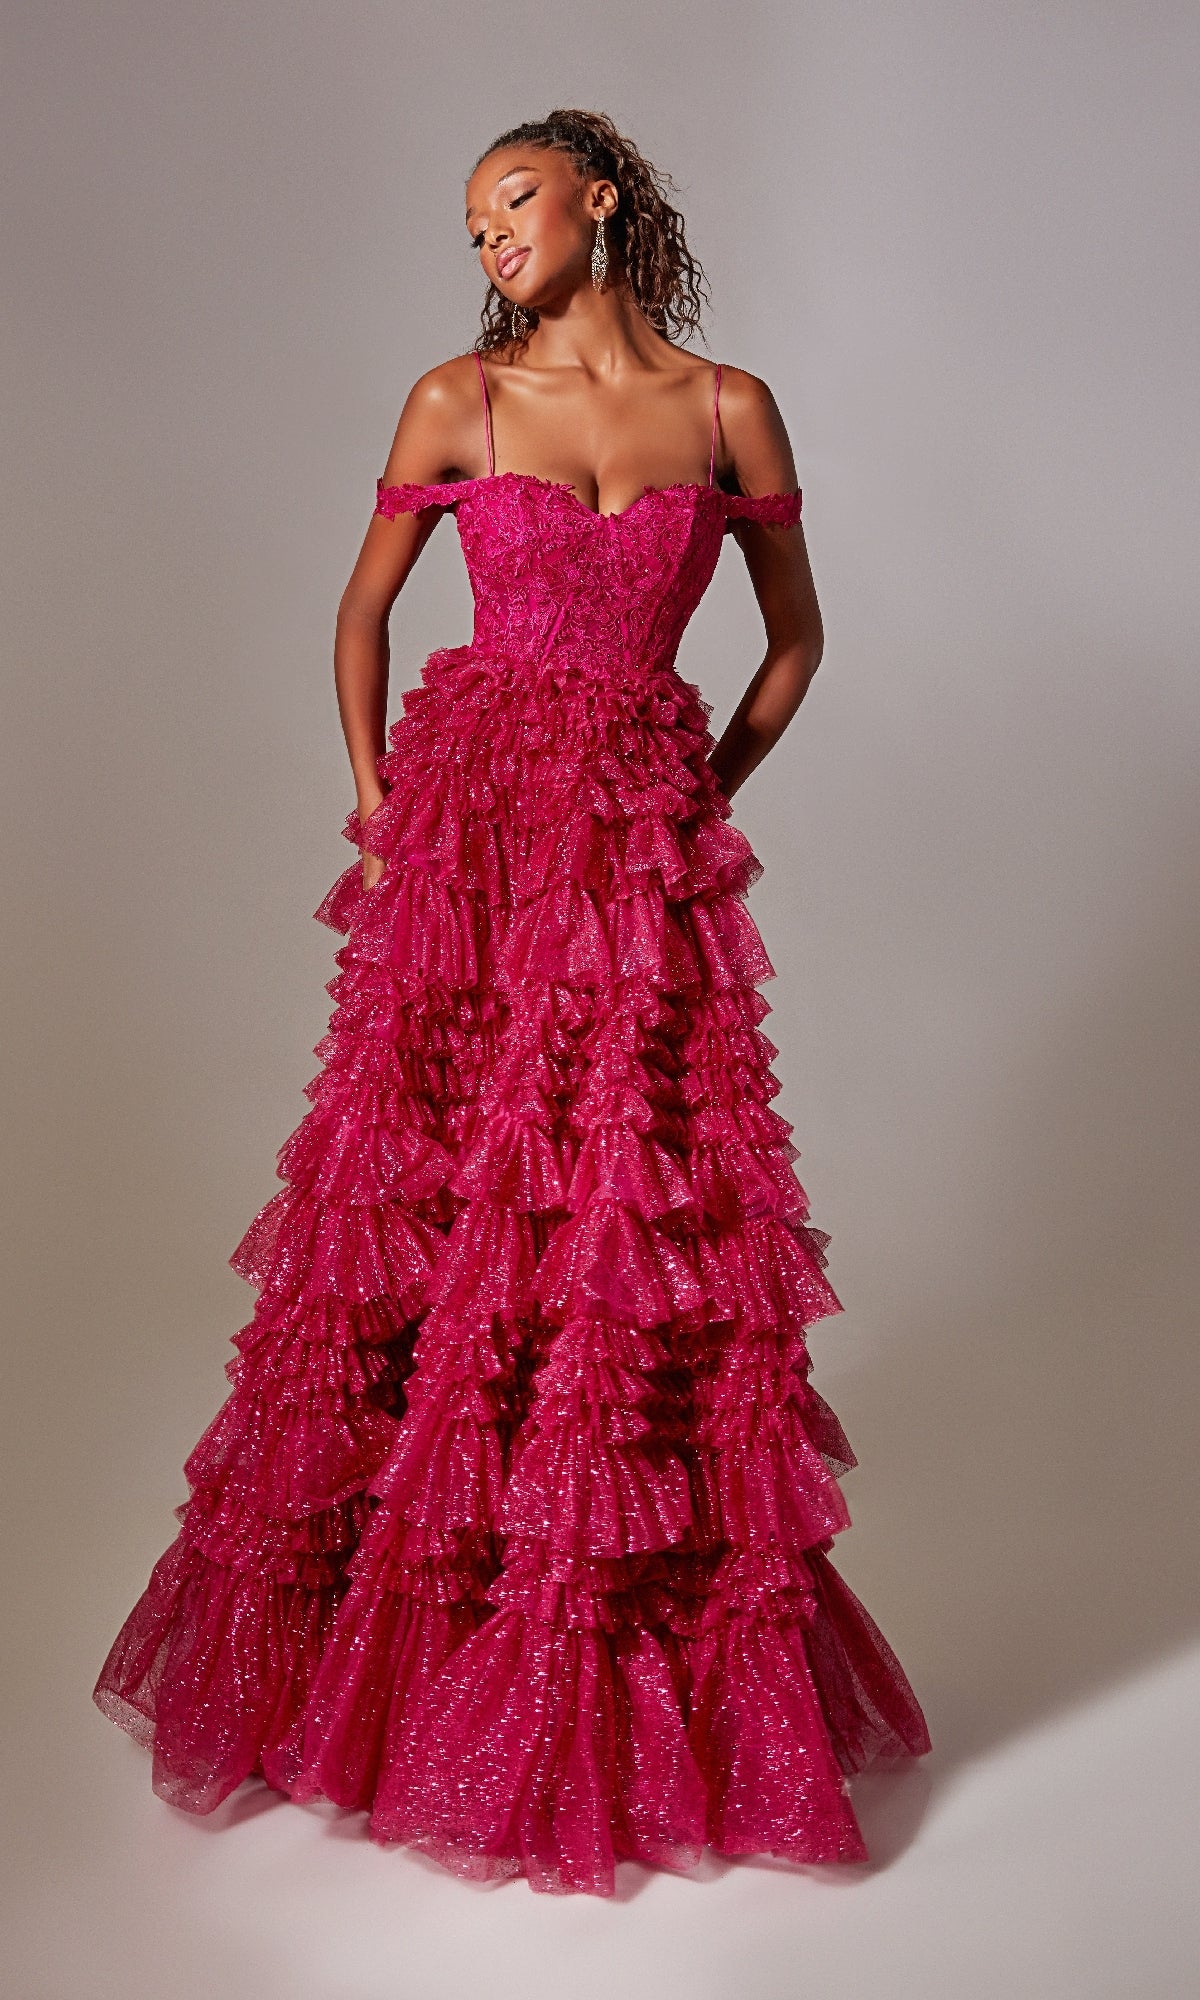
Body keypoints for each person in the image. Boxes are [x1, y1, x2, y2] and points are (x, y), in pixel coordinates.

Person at [93, 106, 931, 1897]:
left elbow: (791, 638)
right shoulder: (455, 401)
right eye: (473, 224)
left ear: (598, 199)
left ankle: (591, 1635)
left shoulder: (728, 409)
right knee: (427, 1211)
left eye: (516, 206)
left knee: (622, 1209)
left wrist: (699, 789)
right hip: (470, 847)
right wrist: (381, 797)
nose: (491, 242)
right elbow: (366, 605)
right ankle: (371, 1665)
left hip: (631, 854)